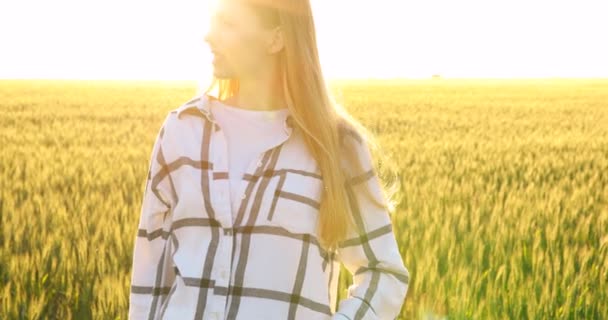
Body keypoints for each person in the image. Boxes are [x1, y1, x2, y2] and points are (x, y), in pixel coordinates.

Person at [128, 0, 410, 319]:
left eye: (228, 24)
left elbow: (382, 271)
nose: (208, 36)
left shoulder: (336, 146)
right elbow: (149, 280)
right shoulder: (182, 130)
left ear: (276, 38)